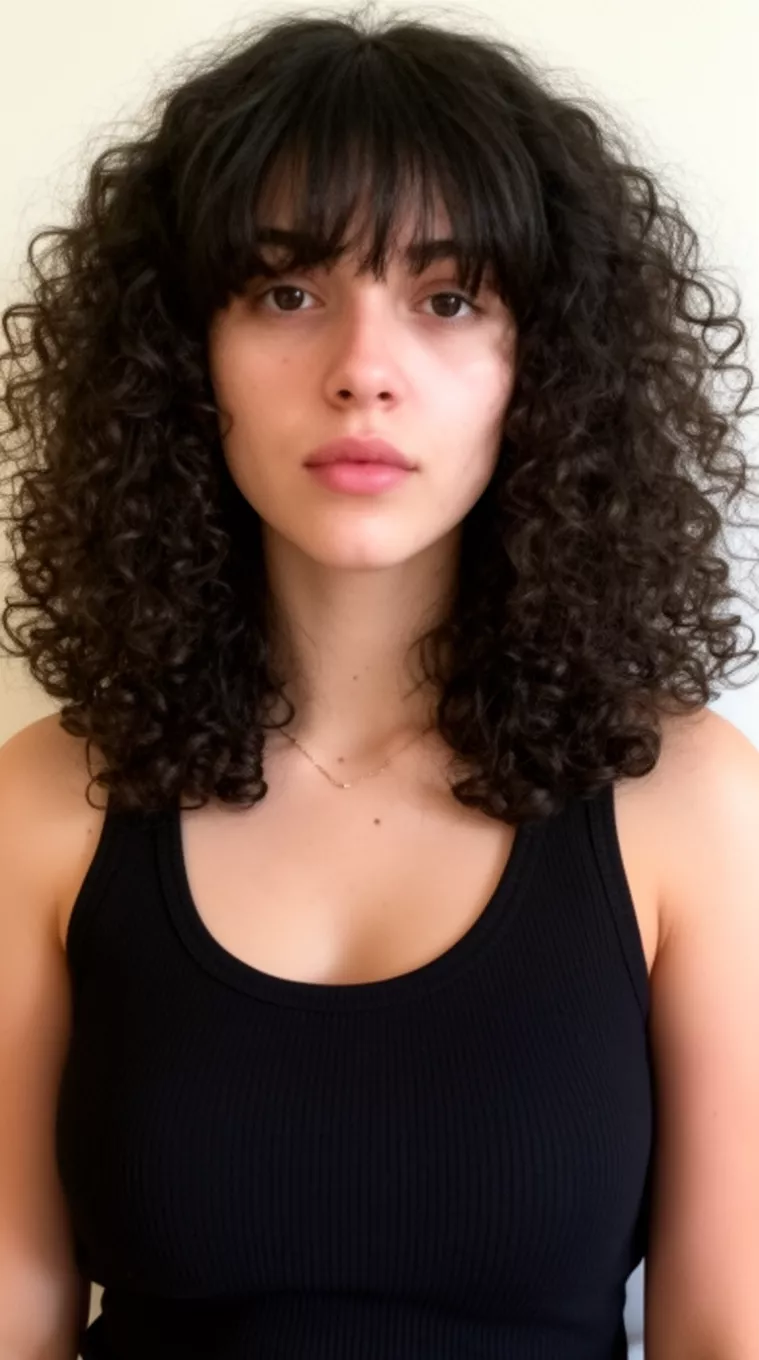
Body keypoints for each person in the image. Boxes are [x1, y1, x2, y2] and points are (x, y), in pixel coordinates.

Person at [1, 6, 758, 1358]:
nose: (361, 373)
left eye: (447, 298)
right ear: (184, 357)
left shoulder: (689, 803)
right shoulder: (46, 800)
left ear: (545, 370)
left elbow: (724, 1333)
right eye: (286, 292)